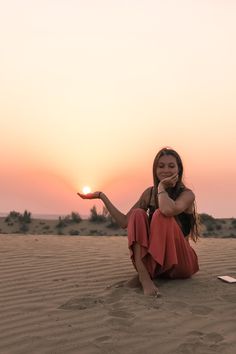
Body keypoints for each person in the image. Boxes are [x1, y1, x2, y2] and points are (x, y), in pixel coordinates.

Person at [77, 147, 200, 297]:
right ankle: (144, 277)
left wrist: (161, 187)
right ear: (155, 170)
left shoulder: (187, 194)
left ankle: (145, 275)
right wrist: (102, 196)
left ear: (179, 169)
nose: (166, 170)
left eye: (171, 166)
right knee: (137, 214)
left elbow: (168, 210)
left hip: (181, 263)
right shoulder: (149, 193)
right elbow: (124, 222)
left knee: (160, 215)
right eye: (161, 166)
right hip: (157, 267)